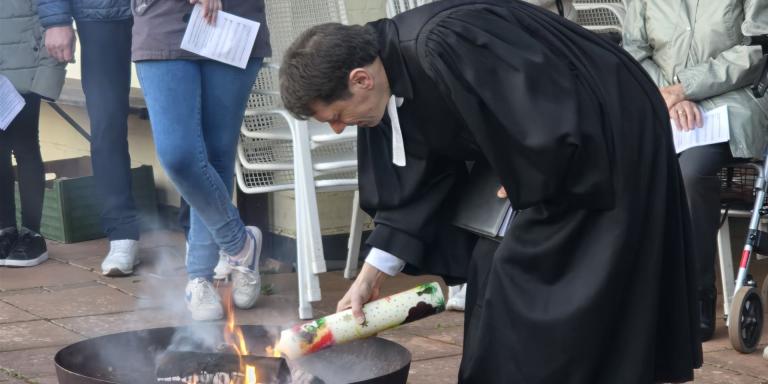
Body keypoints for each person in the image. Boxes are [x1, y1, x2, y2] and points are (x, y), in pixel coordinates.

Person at [279, 0, 703, 382]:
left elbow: (549, 107)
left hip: (605, 130)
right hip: (547, 152)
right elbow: (415, 184)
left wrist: (523, 163)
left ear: (360, 80)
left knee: (527, 270)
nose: (337, 127)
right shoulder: (383, 79)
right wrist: (370, 275)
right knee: (488, 265)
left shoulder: (442, 42)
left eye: (335, 115)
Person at [623, 0, 768, 342]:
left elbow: (755, 50)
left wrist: (686, 88)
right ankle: (621, 295)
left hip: (731, 102)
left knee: (692, 169)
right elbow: (632, 51)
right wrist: (669, 96)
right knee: (618, 159)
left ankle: (695, 295)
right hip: (660, 105)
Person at [131, 0, 270, 321]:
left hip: (233, 17)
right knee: (179, 155)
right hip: (162, 17)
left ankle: (200, 278)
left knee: (217, 155)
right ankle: (240, 244)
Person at [36, 0, 142, 277]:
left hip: (166, 11)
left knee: (183, 119)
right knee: (106, 125)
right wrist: (56, 19)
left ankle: (197, 234)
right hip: (99, 14)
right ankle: (122, 235)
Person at [0, 0, 66, 268]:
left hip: (24, 70)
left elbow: (55, 17)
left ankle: (32, 234)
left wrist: (46, 77)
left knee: (25, 146)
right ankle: (5, 229)